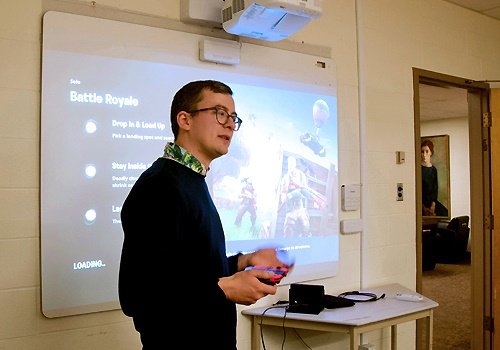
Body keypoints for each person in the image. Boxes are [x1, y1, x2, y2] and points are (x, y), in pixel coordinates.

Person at [118, 80, 293, 349]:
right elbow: (139, 295)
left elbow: (188, 270)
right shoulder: (160, 185)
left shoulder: (191, 180)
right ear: (185, 120)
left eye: (233, 118)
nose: (229, 124)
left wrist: (243, 262)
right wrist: (224, 289)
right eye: (220, 113)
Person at [421, 139, 448, 217]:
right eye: (422, 152)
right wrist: (423, 207)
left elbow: (435, 189)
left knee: (444, 213)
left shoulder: (434, 170)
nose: (424, 154)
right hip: (422, 202)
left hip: (432, 202)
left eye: (427, 151)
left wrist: (433, 205)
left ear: (431, 153)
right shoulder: (419, 169)